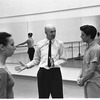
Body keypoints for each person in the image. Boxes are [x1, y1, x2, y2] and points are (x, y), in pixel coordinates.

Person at [15, 24, 67, 98]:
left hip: (55, 72)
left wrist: (54, 64)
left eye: (55, 31)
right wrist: (27, 66)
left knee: (58, 96)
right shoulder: (40, 44)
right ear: (46, 32)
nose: (53, 34)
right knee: (43, 96)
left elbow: (64, 59)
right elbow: (36, 60)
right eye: (51, 32)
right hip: (43, 73)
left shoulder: (60, 44)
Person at [77, 25, 100, 98]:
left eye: (82, 35)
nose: (81, 36)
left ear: (89, 36)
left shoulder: (95, 49)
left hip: (94, 82)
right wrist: (80, 77)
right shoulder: (88, 48)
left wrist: (82, 80)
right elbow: (85, 65)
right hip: (88, 81)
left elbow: (91, 70)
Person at [0, 32, 16, 98]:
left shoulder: (3, 67)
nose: (14, 48)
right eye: (12, 45)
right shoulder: (2, 72)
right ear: (2, 47)